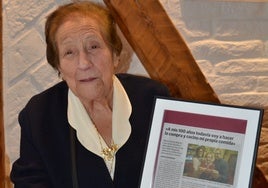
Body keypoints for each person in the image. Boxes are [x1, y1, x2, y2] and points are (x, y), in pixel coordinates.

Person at [10, 1, 170, 188]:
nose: (84, 63)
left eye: (93, 46)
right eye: (69, 52)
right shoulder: (38, 116)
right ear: (59, 66)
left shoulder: (153, 99)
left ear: (115, 54)